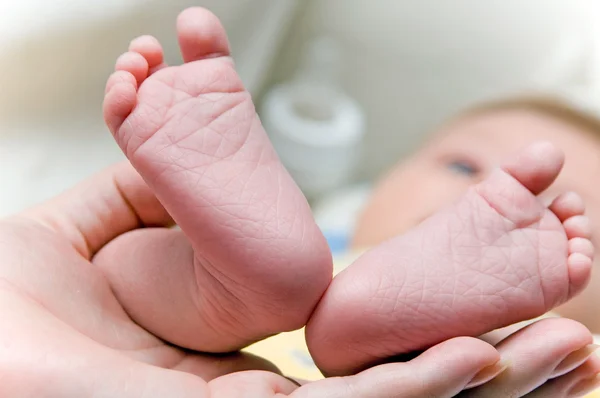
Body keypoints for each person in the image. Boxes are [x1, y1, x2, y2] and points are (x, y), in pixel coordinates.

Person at [1, 7, 599, 397]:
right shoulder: (321, 222)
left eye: (546, 217)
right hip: (268, 302)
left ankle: (255, 296)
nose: (479, 197)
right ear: (383, 178)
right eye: (462, 165)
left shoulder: (572, 353)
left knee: (139, 275)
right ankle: (235, 287)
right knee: (125, 276)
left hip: (443, 345)